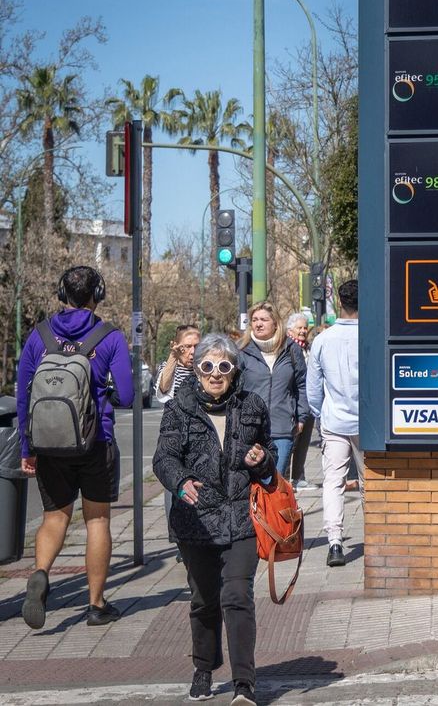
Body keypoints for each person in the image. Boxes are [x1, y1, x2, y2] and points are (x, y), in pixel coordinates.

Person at [152, 332, 273, 706]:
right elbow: (164, 458)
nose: (215, 374)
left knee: (237, 596)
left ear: (234, 371)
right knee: (205, 599)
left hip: (241, 517)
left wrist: (262, 459)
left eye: (224, 366)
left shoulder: (252, 406)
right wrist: (180, 481)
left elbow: (268, 455)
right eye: (207, 366)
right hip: (197, 521)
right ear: (197, 369)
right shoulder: (179, 408)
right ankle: (203, 667)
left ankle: (244, 684)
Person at [15, 265, 133, 630]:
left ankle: (39, 574)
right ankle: (96, 605)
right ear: (98, 294)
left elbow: (24, 397)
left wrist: (27, 447)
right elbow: (127, 396)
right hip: (95, 443)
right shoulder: (110, 337)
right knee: (97, 519)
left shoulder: (39, 336)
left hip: (50, 445)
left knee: (55, 518)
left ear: (60, 293)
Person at [306, 281, 360, 567]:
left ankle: (335, 542)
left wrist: (320, 414)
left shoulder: (323, 340)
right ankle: (374, 536)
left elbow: (313, 389)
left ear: (340, 302)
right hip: (368, 421)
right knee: (368, 483)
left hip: (334, 420)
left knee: (333, 482)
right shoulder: (371, 335)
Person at [237, 302, 309, 479]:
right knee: (252, 484)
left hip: (282, 427)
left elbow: (301, 384)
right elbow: (233, 389)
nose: (258, 324)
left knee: (275, 481)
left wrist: (301, 417)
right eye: (254, 320)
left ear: (275, 323)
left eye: (263, 319)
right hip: (249, 429)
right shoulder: (241, 350)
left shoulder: (291, 349)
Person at [283, 312, 316, 490]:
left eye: (305, 327)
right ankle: (287, 478)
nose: (303, 331)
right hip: (293, 401)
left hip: (309, 400)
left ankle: (299, 476)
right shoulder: (287, 347)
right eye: (299, 328)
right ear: (290, 330)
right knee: (292, 440)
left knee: (304, 442)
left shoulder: (308, 348)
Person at [154, 324, 201, 406]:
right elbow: (163, 388)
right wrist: (173, 356)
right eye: (188, 346)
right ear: (176, 345)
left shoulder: (204, 368)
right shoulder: (168, 367)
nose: (193, 351)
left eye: (196, 346)